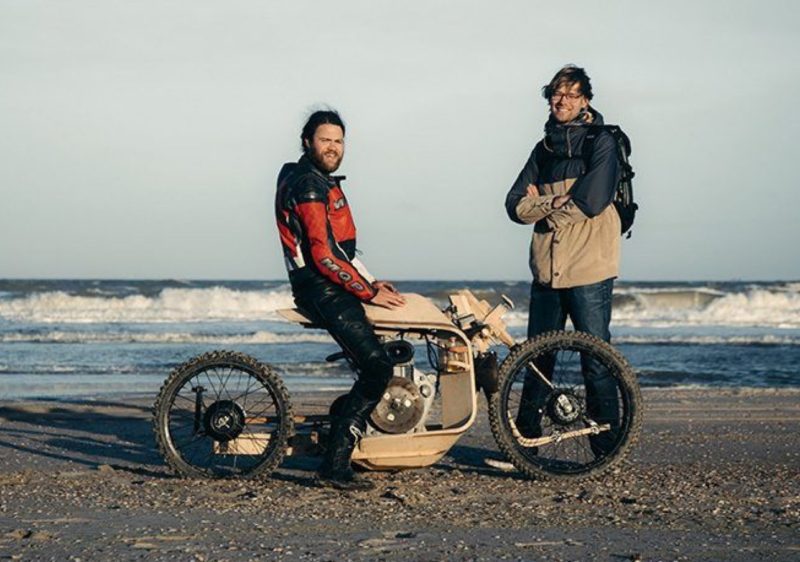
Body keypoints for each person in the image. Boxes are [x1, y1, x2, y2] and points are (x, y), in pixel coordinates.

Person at [275, 109, 405, 491]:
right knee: (377, 367)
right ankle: (334, 464)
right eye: (324, 140)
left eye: (338, 140)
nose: (332, 147)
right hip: (321, 287)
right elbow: (323, 255)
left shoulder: (317, 178)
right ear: (307, 142)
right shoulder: (309, 185)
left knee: (379, 351)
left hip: (329, 281)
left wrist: (369, 279)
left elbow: (341, 249)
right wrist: (368, 292)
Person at [504, 65, 621, 457]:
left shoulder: (601, 141)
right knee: (537, 359)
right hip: (547, 268)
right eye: (556, 94)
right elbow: (512, 204)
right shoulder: (544, 149)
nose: (562, 101)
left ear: (585, 99)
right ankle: (525, 445)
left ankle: (606, 447)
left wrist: (542, 204)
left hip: (590, 266)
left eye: (571, 95)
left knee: (596, 359)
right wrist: (553, 202)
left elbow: (591, 201)